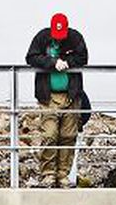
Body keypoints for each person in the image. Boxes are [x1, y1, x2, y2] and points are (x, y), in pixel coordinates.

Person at [26, 13, 88, 188]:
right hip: (48, 96)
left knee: (68, 136)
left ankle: (62, 175)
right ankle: (48, 175)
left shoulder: (76, 38)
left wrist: (67, 61)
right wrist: (52, 62)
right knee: (50, 135)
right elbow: (31, 57)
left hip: (71, 96)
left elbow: (83, 57)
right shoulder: (42, 38)